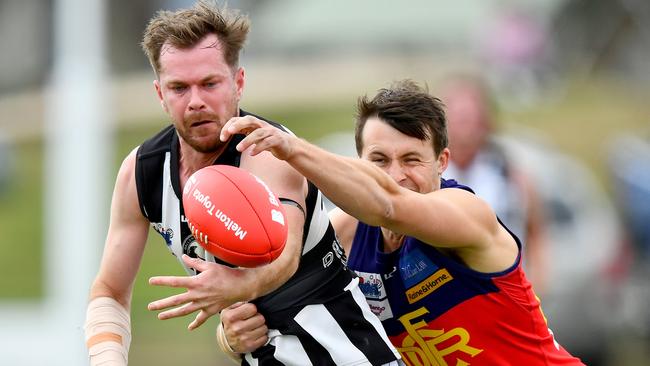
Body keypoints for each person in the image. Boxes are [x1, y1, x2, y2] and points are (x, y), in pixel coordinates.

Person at [83, 2, 401, 365]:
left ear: (238, 83)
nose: (196, 101)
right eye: (179, 88)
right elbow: (108, 290)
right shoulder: (142, 172)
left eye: (209, 83)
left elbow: (283, 257)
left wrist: (236, 289)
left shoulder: (267, 149)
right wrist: (106, 357)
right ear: (160, 94)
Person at [218, 79, 584, 365]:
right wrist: (231, 336)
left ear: (442, 162)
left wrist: (291, 148)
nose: (396, 175)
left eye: (411, 159)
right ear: (358, 161)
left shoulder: (467, 213)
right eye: (378, 160)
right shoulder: (344, 233)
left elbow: (390, 205)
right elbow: (272, 297)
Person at [441, 75, 548, 294]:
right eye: (458, 117)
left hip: (507, 293)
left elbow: (536, 232)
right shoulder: (431, 175)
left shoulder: (509, 173)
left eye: (471, 116)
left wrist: (537, 285)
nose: (466, 125)